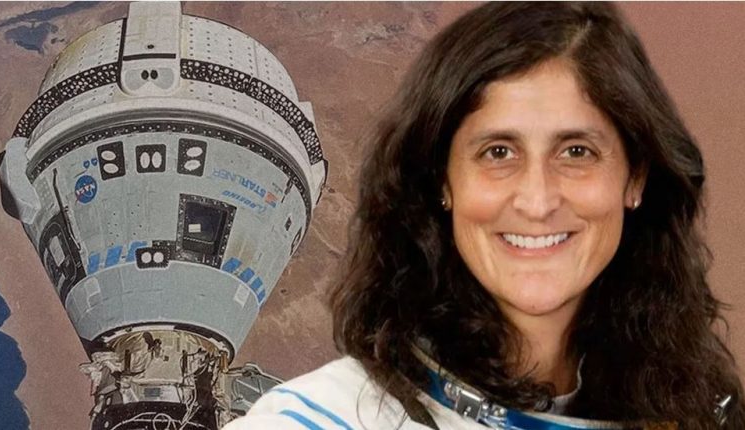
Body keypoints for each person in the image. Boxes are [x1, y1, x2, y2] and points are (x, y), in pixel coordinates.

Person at [223, 3, 745, 429]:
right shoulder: (319, 420)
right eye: (498, 152)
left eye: (577, 152)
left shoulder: (700, 416)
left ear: (635, 179)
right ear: (442, 181)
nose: (537, 201)